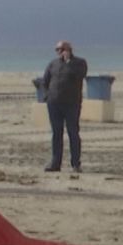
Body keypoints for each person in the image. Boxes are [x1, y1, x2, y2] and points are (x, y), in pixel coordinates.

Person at [37, 40, 88, 172]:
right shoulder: (53, 64)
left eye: (61, 49)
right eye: (57, 50)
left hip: (72, 104)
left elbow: (80, 75)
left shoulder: (79, 63)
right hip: (54, 103)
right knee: (56, 133)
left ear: (69, 49)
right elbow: (44, 81)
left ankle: (76, 163)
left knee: (73, 133)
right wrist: (47, 95)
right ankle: (55, 163)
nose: (59, 52)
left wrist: (68, 63)